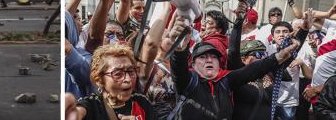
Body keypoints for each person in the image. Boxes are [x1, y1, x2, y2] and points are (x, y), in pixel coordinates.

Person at [168, 15, 300, 120]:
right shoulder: (189, 81)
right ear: (193, 64)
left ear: (219, 63)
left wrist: (281, 54)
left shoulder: (226, 80)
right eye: (203, 57)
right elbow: (178, 67)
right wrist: (179, 50)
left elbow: (257, 69)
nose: (209, 60)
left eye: (214, 57)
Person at [72, 44, 157, 120]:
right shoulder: (91, 106)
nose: (128, 79)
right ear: (99, 80)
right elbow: (76, 113)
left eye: (131, 71)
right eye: (118, 74)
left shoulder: (141, 102)